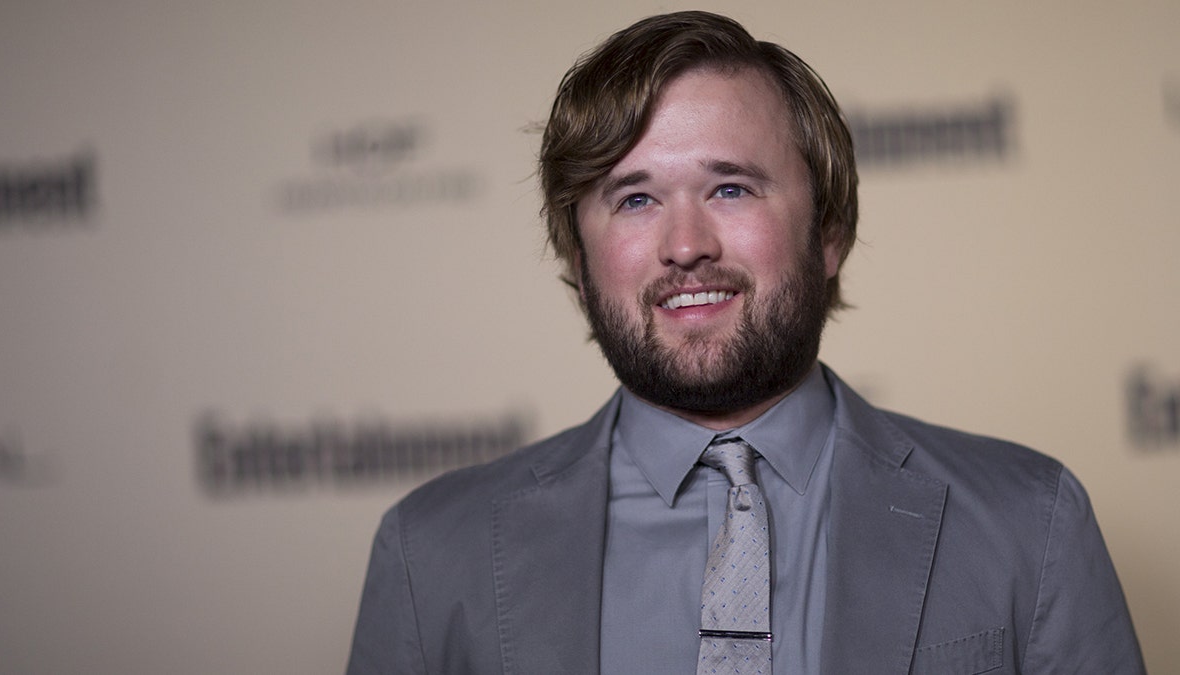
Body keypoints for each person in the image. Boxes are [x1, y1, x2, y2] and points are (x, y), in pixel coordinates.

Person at [346, 11, 1144, 674]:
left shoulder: (1028, 523)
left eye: (730, 187)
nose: (685, 243)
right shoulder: (430, 555)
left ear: (828, 230)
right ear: (577, 253)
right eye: (634, 199)